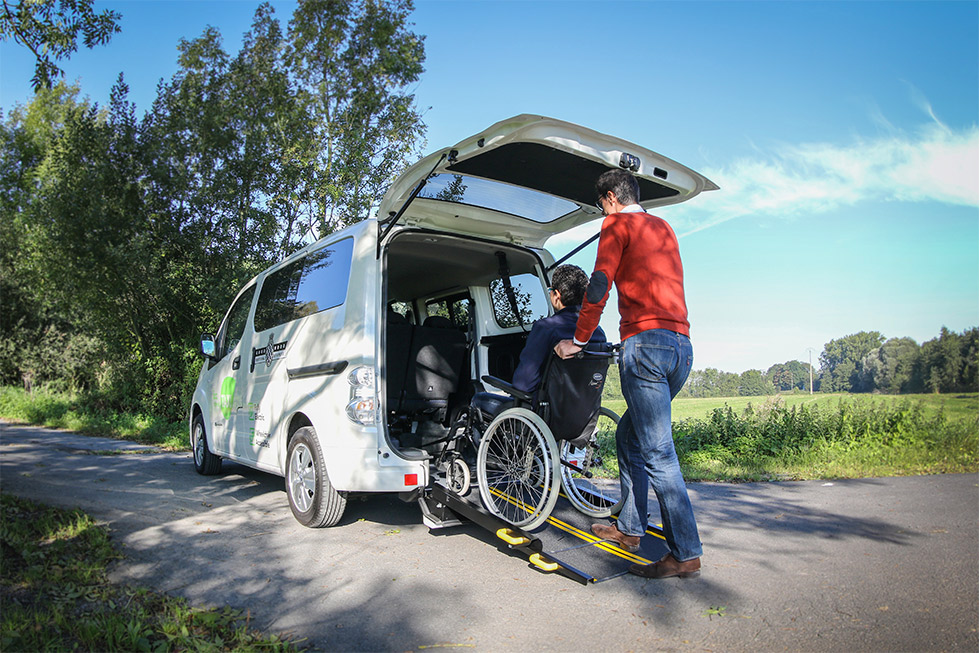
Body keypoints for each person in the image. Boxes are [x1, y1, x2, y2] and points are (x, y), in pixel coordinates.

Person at [555, 168, 702, 579]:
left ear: (609, 199)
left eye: (602, 205)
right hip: (681, 347)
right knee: (630, 437)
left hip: (647, 346)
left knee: (658, 452)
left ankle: (685, 553)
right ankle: (631, 530)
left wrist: (579, 340)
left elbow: (600, 284)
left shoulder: (616, 223)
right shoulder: (663, 227)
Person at [472, 264, 606, 417]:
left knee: (479, 399)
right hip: (583, 415)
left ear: (556, 295)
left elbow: (523, 385)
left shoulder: (546, 328)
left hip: (545, 414)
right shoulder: (598, 333)